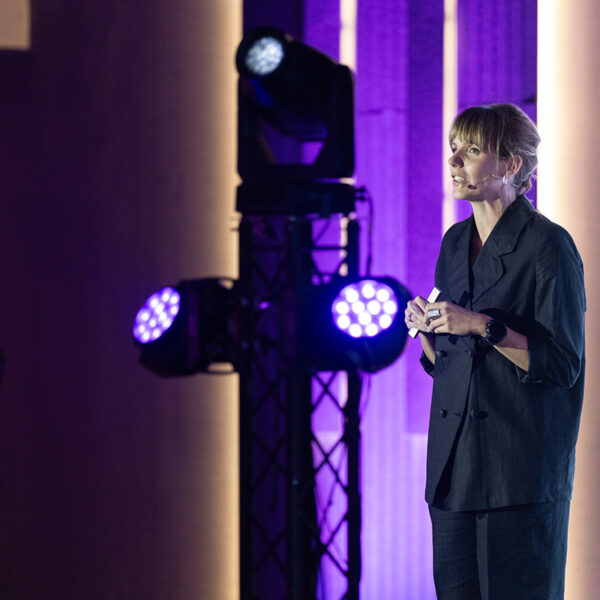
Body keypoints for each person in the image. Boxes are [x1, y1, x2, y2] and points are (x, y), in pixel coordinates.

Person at [404, 103, 586, 600]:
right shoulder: (454, 241)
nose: (454, 161)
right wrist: (427, 330)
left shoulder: (549, 245)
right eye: (453, 149)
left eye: (472, 150)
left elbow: (563, 365)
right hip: (452, 469)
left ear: (511, 164)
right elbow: (451, 366)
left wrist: (483, 326)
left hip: (516, 473)